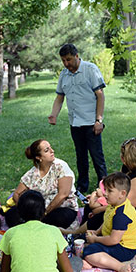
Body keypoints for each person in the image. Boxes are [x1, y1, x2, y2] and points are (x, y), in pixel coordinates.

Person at [64, 138, 136, 237]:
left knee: (104, 216)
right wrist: (101, 198)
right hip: (126, 208)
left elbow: (125, 206)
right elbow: (117, 190)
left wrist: (99, 209)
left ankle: (76, 234)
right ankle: (82, 232)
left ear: (124, 158)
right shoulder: (127, 168)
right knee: (90, 207)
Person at [48, 43, 108, 194]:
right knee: (80, 156)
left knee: (97, 156)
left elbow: (100, 95)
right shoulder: (64, 74)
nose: (66, 63)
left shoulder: (90, 69)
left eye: (68, 59)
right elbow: (60, 97)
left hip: (91, 122)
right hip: (75, 123)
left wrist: (99, 120)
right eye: (63, 60)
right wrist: (54, 113)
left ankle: (105, 186)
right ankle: (82, 185)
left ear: (76, 56)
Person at [6, 139, 80, 229]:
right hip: (37, 210)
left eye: (50, 148)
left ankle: (32, 228)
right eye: (46, 150)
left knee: (57, 219)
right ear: (38, 157)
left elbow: (63, 195)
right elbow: (16, 194)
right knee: (11, 214)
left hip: (61, 208)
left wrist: (44, 213)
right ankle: (33, 227)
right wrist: (23, 209)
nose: (52, 151)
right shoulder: (32, 173)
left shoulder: (61, 166)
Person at [82, 172, 136, 272]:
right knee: (83, 238)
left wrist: (95, 239)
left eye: (110, 191)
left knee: (89, 251)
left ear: (122, 194)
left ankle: (120, 267)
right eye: (105, 190)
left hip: (125, 248)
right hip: (112, 239)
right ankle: (93, 259)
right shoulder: (113, 204)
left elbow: (113, 240)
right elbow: (107, 221)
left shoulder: (122, 214)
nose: (105, 194)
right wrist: (97, 232)